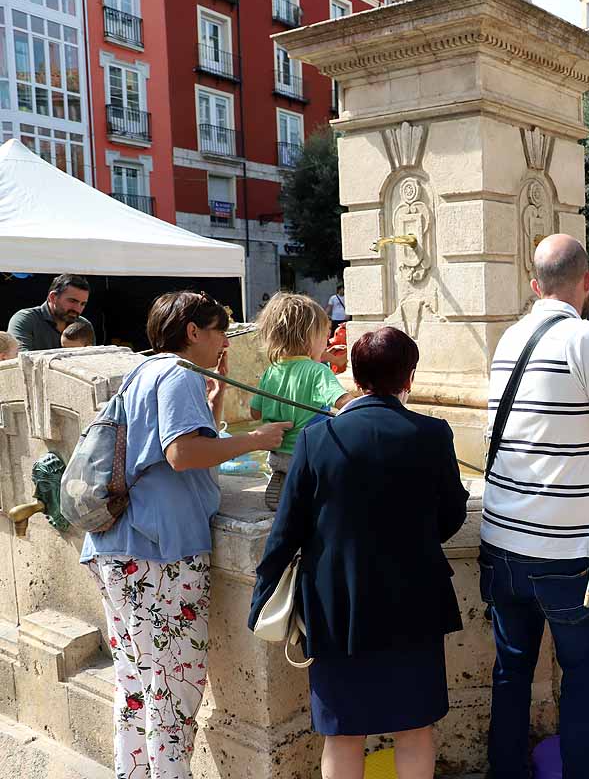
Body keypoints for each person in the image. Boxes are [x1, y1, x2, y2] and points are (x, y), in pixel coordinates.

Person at [82, 291, 291, 779]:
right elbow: (180, 454)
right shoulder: (178, 375)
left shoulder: (144, 370)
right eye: (218, 329)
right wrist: (257, 440)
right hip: (161, 550)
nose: (224, 340)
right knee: (174, 683)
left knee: (137, 682)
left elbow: (171, 445)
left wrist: (214, 410)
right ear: (193, 332)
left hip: (120, 544)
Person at [249, 326, 468, 779]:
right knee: (414, 726)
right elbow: (451, 515)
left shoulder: (317, 438)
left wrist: (262, 597)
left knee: (343, 731)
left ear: (354, 376)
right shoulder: (432, 434)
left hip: (335, 605)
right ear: (408, 378)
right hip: (414, 600)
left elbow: (287, 530)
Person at [480, 234, 589, 779]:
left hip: (502, 541)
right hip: (565, 553)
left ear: (534, 284)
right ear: (588, 281)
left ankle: (506, 769)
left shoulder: (509, 337)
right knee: (582, 677)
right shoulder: (585, 334)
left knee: (512, 673)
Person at [251, 293, 353, 511]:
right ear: (308, 338)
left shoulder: (271, 371)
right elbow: (343, 402)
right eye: (324, 338)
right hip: (309, 454)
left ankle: (282, 477)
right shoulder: (317, 371)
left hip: (276, 452)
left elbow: (255, 413)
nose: (326, 345)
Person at [7, 273, 93, 352]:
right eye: (72, 301)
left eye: (83, 304)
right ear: (52, 297)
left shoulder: (84, 325)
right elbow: (21, 359)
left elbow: (91, 360)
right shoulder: (26, 320)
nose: (77, 309)